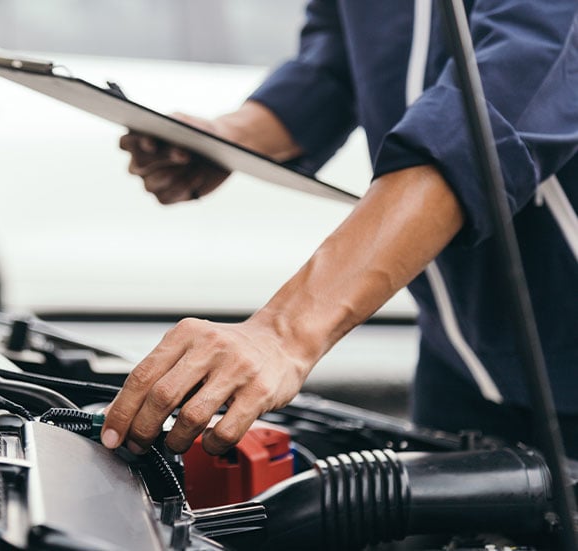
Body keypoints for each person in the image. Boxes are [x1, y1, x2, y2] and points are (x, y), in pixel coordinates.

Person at [100, 0, 578, 457]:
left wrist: (283, 332)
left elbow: (505, 96)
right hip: (461, 351)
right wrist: (232, 137)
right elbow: (335, 63)